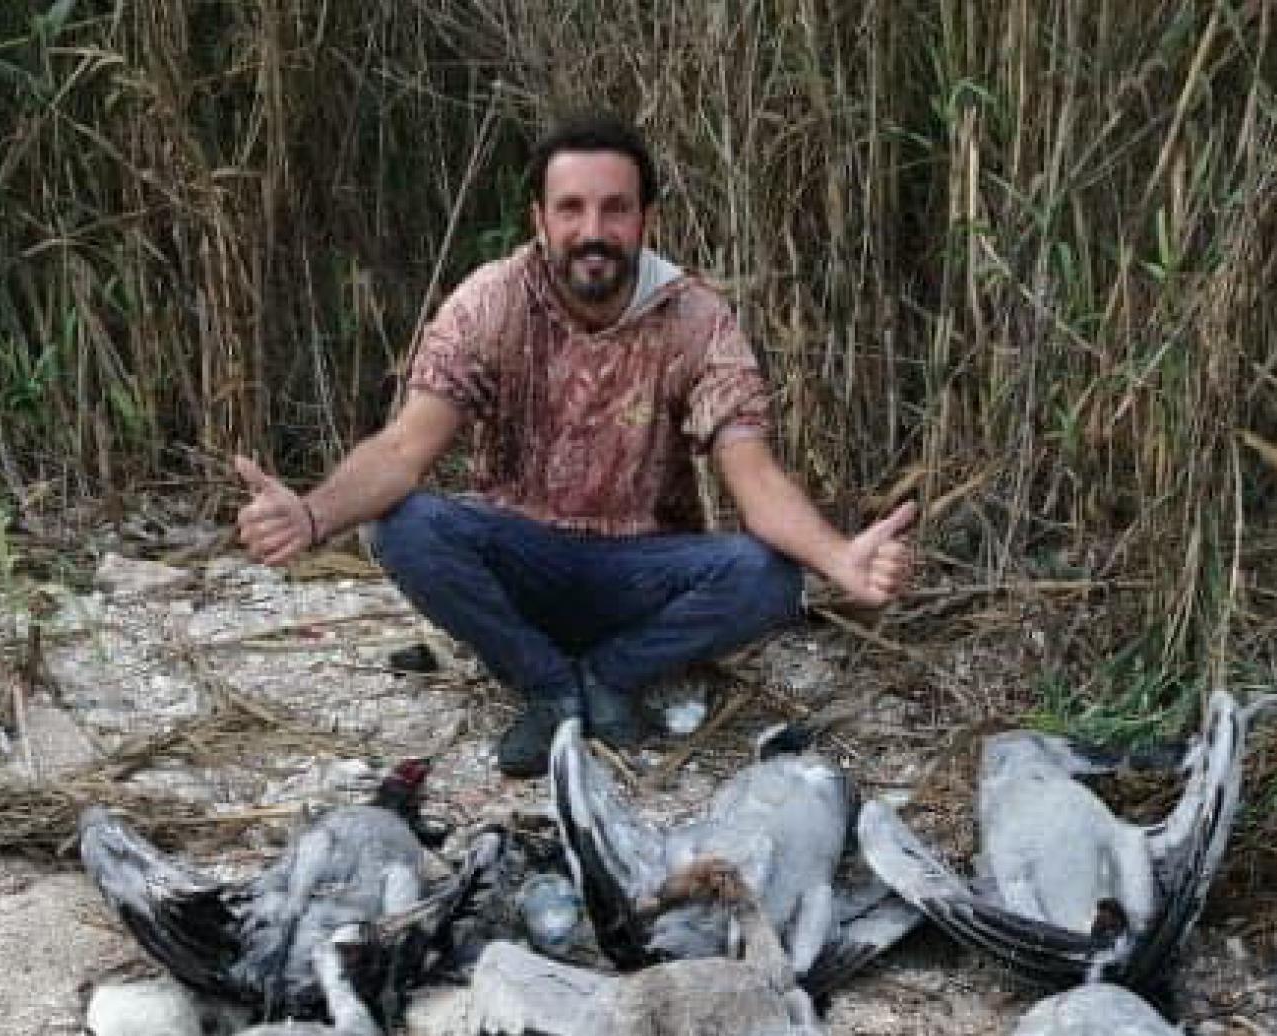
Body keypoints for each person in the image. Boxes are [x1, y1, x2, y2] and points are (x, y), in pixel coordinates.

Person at [229, 112, 917, 777]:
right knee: (407, 528)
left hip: (642, 570)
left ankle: (608, 677)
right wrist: (312, 515)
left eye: (615, 209)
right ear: (540, 220)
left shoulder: (697, 317)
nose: (594, 231)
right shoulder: (491, 301)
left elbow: (754, 476)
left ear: (646, 220)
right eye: (571, 209)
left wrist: (839, 559)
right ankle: (551, 687)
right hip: (523, 560)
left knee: (770, 574)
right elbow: (405, 449)